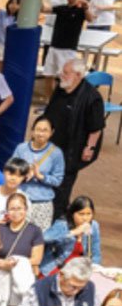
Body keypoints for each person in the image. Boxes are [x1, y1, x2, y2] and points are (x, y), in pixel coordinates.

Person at [43, 59, 107, 220]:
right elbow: (50, 111)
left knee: (63, 184)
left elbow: (96, 127)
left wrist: (89, 147)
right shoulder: (61, 88)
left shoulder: (92, 98)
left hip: (73, 150)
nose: (61, 75)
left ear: (78, 75)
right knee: (50, 180)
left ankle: (57, 216)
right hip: (53, 145)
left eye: (65, 72)